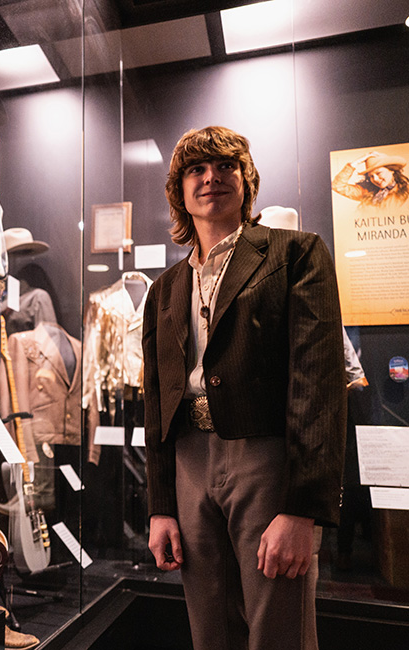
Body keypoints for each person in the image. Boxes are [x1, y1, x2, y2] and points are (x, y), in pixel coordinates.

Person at [143, 126, 347, 650]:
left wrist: (302, 508)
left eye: (225, 167)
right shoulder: (164, 289)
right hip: (189, 461)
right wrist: (161, 504)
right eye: (196, 169)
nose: (211, 178)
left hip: (267, 459)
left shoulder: (295, 254)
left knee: (278, 628)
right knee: (208, 630)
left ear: (245, 179)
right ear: (179, 191)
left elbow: (318, 383)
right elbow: (158, 400)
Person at [331, 150, 409, 209]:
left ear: (392, 170)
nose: (375, 179)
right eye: (371, 176)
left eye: (378, 173)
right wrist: (355, 163)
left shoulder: (407, 190)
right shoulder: (367, 192)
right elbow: (337, 186)